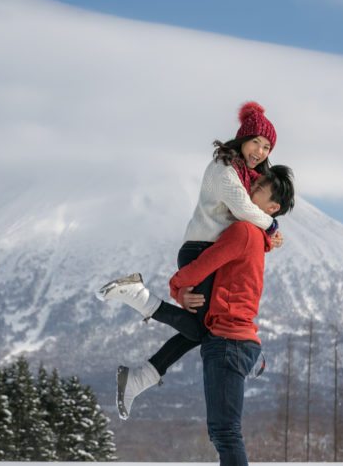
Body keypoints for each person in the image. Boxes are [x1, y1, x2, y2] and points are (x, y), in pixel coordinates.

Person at [97, 101, 282, 418]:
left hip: (214, 253)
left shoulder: (246, 175)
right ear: (242, 139)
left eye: (267, 146)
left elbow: (250, 222)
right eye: (256, 142)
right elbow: (243, 211)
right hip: (201, 250)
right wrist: (272, 226)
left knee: (202, 328)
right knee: (206, 330)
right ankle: (138, 299)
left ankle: (141, 375)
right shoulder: (224, 170)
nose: (261, 151)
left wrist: (267, 235)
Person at [100, 165, 295, 465]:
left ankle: (141, 299)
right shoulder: (257, 236)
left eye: (260, 188)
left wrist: (176, 286)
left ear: (272, 208)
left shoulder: (244, 231)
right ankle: (141, 358)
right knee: (222, 431)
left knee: (225, 433)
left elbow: (205, 263)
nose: (250, 190)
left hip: (229, 342)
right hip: (231, 339)